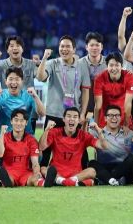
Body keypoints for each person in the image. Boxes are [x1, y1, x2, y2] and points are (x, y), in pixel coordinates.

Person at [36, 36, 91, 167]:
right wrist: (44, 59)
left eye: (67, 47)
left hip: (73, 115)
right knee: (47, 147)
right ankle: (41, 174)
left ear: (74, 49)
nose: (64, 49)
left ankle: (84, 171)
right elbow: (40, 77)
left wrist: (82, 113)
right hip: (54, 113)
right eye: (62, 46)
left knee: (79, 145)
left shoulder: (82, 66)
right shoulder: (53, 63)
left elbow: (85, 91)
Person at [39, 107, 109, 187]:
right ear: (63, 119)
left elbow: (105, 147)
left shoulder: (83, 135)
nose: (72, 119)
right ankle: (73, 183)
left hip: (76, 174)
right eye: (69, 116)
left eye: (75, 117)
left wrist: (99, 131)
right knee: (43, 169)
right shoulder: (54, 132)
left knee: (92, 171)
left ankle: (61, 181)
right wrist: (46, 130)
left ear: (79, 120)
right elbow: (41, 147)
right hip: (57, 172)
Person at [0, 36, 41, 132]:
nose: (15, 48)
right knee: (7, 141)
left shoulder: (31, 64)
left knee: (28, 141)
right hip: (8, 111)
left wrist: (39, 64)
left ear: (22, 49)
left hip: (28, 111)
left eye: (18, 45)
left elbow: (42, 78)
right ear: (7, 50)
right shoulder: (1, 64)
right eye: (11, 46)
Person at [0, 109, 55, 187]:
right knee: (8, 179)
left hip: (26, 173)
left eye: (22, 121)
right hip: (9, 172)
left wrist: (37, 171)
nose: (18, 123)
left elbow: (35, 162)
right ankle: (7, 182)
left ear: (26, 123)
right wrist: (2, 135)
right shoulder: (4, 138)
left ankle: (45, 184)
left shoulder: (31, 140)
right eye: (16, 120)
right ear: (11, 121)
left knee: (35, 179)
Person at [87, 105, 133, 186]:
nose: (114, 118)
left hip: (123, 168)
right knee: (91, 163)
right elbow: (81, 137)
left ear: (121, 118)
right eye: (110, 115)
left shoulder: (129, 134)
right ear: (105, 118)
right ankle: (113, 180)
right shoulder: (97, 132)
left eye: (117, 115)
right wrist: (86, 121)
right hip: (104, 167)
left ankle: (106, 179)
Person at [0, 68, 45, 136]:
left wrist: (36, 96)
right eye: (10, 79)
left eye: (17, 79)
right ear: (6, 82)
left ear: (22, 82)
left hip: (26, 137)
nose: (13, 82)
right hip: (5, 136)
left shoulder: (29, 95)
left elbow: (42, 113)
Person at [93, 52, 133, 131]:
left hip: (123, 114)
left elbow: (128, 103)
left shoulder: (129, 78)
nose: (114, 68)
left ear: (122, 66)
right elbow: (98, 105)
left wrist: (126, 124)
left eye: (117, 65)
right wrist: (96, 125)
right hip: (105, 116)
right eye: (111, 65)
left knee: (127, 140)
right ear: (106, 66)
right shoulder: (99, 79)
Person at [77, 32, 107, 119]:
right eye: (91, 45)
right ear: (86, 47)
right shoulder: (79, 64)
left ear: (101, 47)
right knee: (83, 132)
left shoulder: (109, 63)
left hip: (103, 105)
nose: (94, 48)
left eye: (97, 45)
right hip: (83, 105)